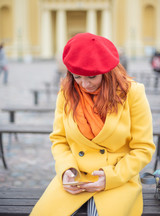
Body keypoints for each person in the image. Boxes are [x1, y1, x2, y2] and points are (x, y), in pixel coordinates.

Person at [30, 33, 155, 216]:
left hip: (117, 178)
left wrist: (111, 177)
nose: (84, 84)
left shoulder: (132, 93)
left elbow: (143, 148)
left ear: (107, 72)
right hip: (76, 179)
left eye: (92, 77)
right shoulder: (66, 93)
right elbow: (59, 140)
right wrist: (66, 169)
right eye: (77, 77)